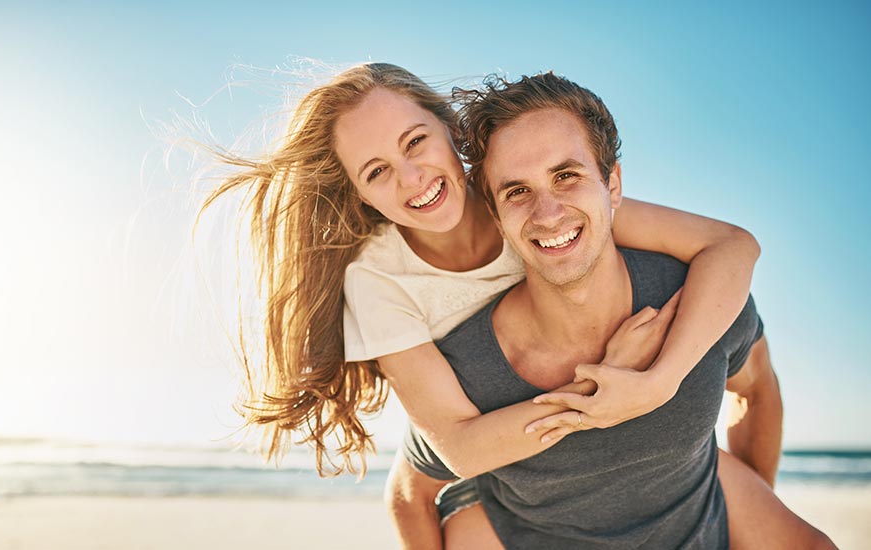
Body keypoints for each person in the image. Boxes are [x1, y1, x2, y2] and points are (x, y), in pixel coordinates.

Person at [199, 63, 825, 547]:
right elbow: (459, 451)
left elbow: (730, 245)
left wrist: (659, 382)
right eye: (377, 172)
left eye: (416, 142)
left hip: (543, 397)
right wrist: (606, 382)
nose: (412, 178)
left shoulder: (527, 191)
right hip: (475, 422)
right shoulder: (379, 280)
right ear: (361, 196)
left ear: (454, 135)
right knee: (418, 481)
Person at [392, 71, 835, 548]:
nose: (548, 213)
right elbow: (408, 495)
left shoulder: (695, 298)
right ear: (496, 218)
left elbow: (758, 391)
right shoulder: (469, 367)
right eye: (517, 191)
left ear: (613, 185)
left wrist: (747, 509)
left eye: (566, 176)